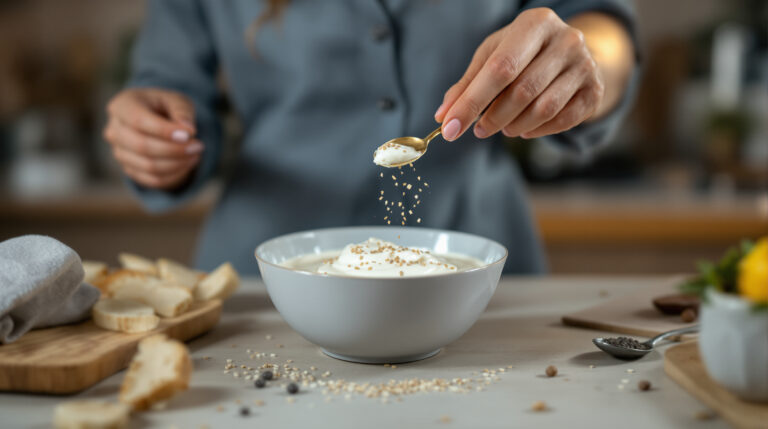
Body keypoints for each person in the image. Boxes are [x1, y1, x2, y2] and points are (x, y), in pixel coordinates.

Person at [104, 0, 638, 274]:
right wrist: (158, 134)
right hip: (264, 281)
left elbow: (599, 28)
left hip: (480, 270)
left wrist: (585, 59)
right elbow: (168, 84)